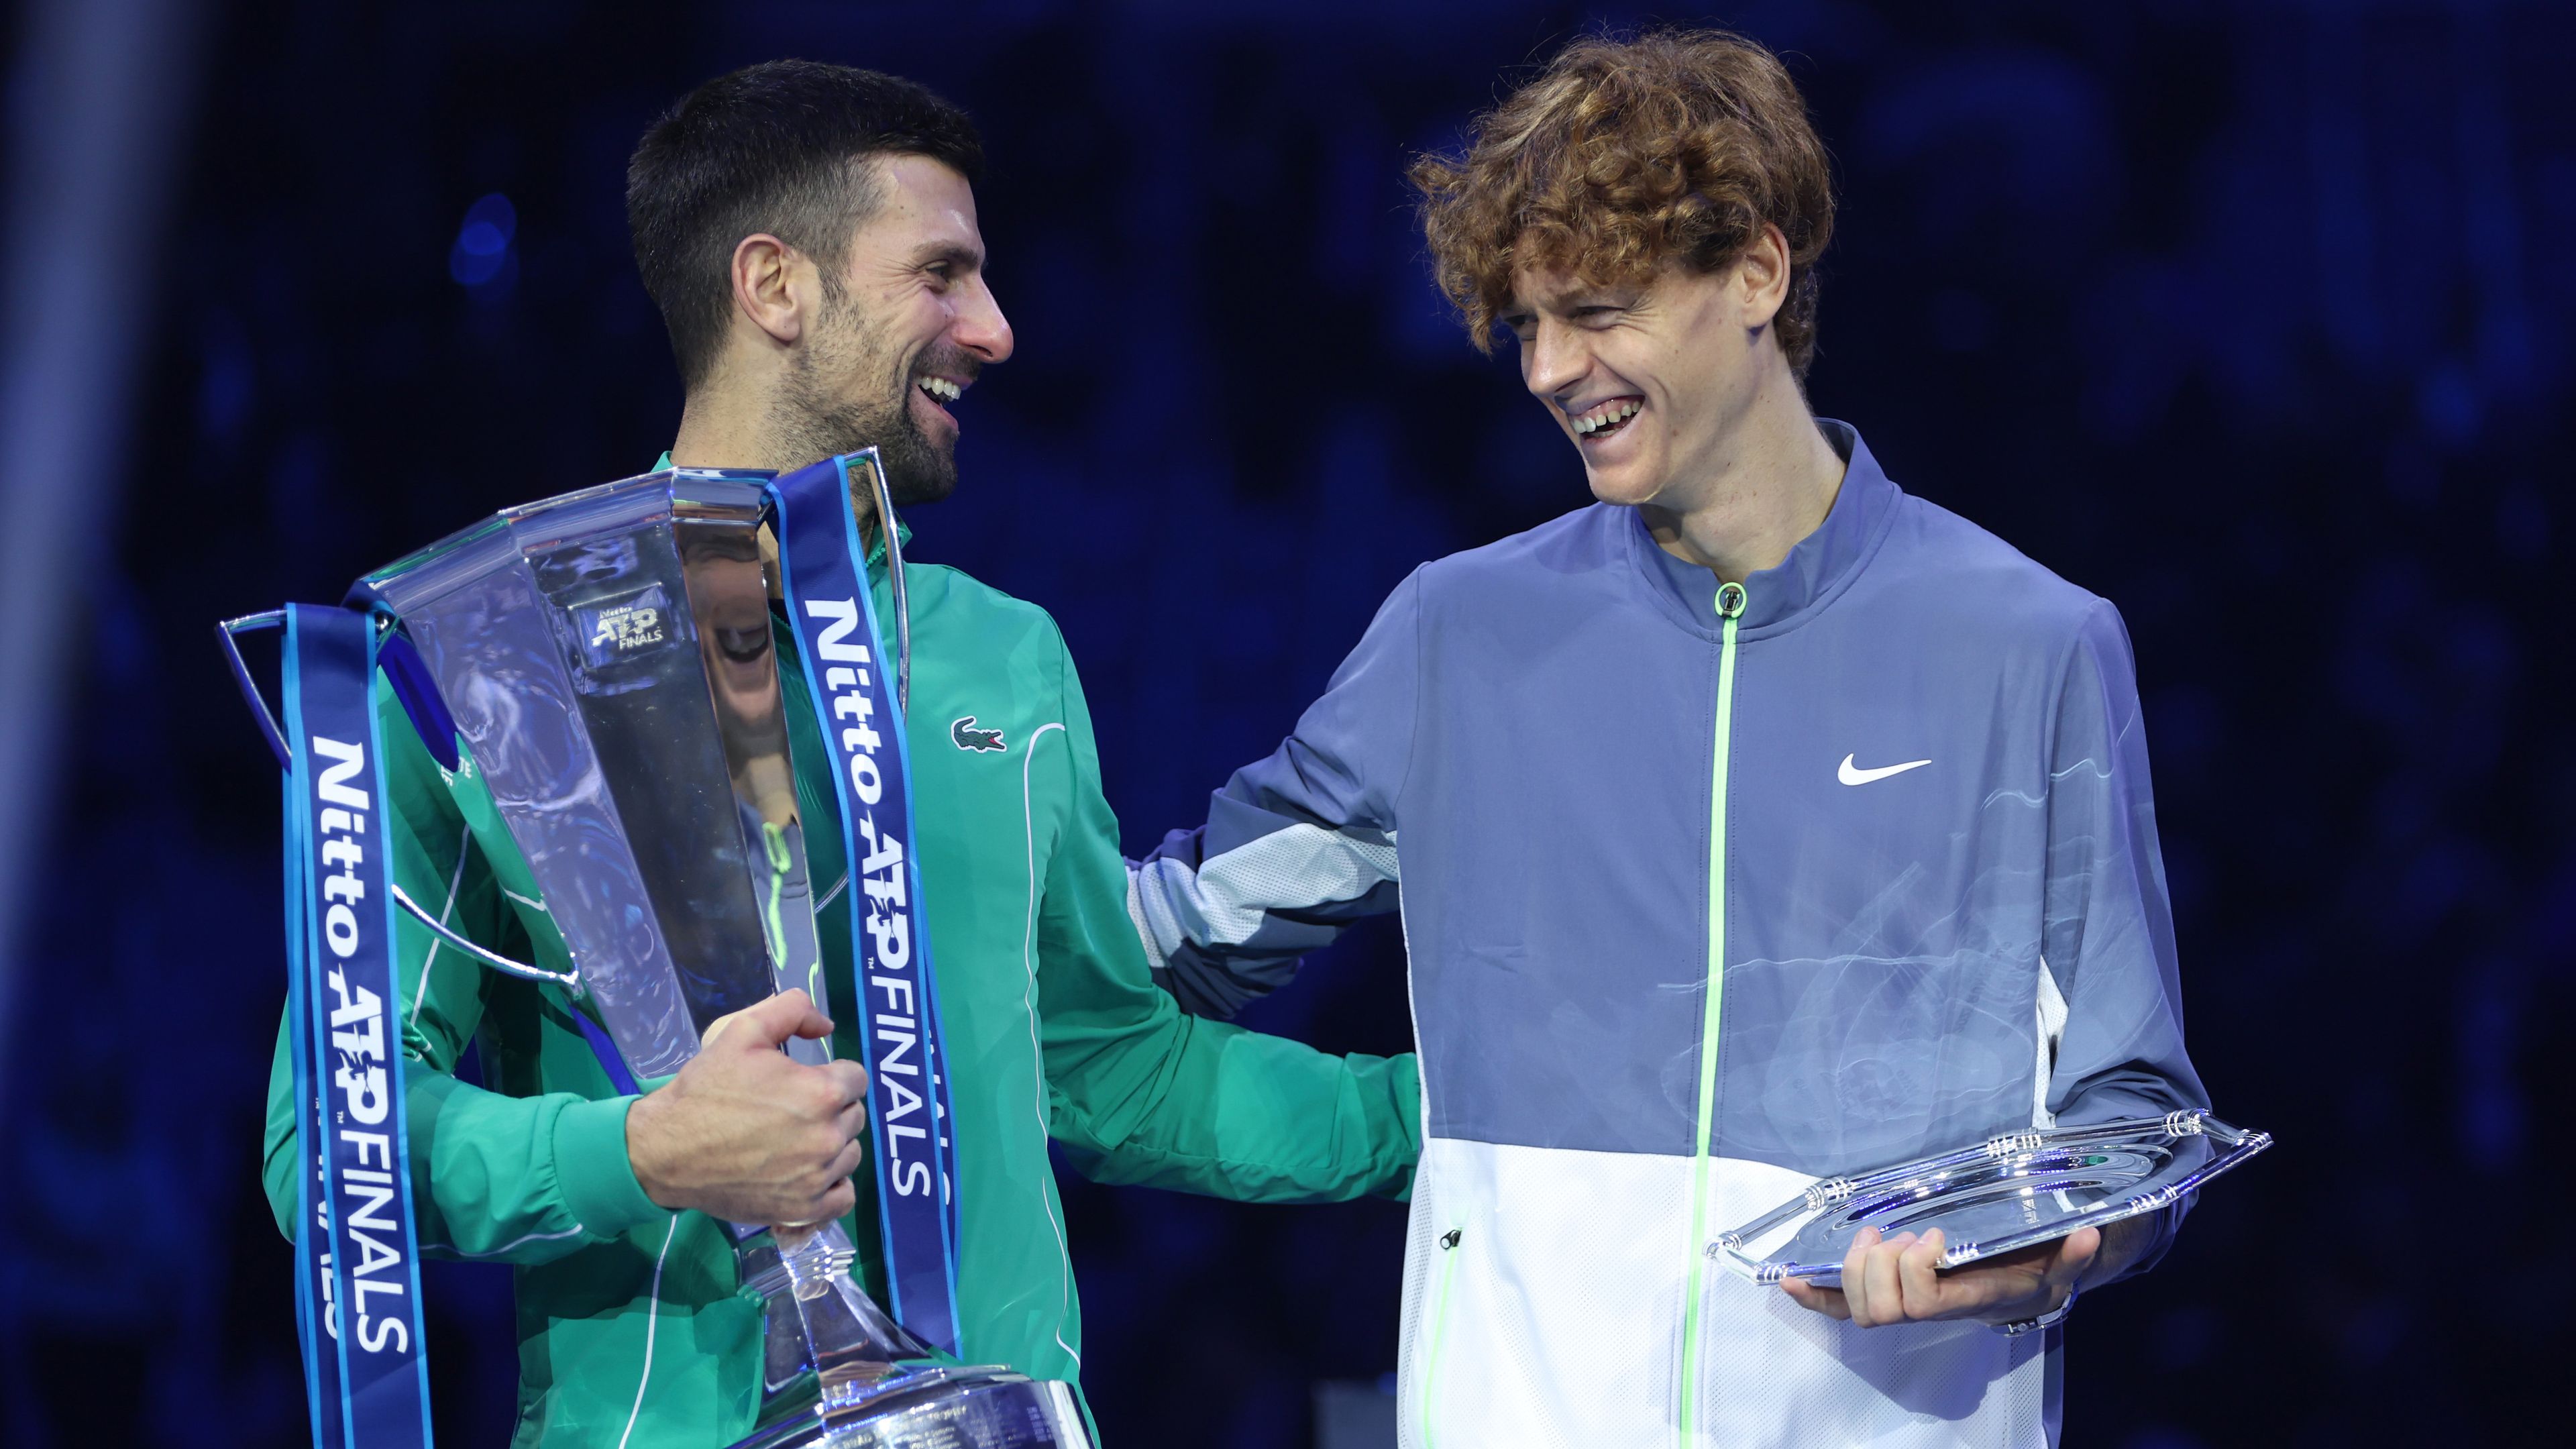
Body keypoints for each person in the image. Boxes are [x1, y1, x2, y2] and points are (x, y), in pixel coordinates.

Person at [260, 61, 1419, 1448]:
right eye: (942, 274)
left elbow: (1118, 1069)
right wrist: (646, 1152)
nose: (993, 328)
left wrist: (1458, 1120)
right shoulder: (493, 659)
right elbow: (328, 1145)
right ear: (775, 289)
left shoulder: (1005, 656)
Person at [1127, 29, 2205, 1448]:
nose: (1550, 369)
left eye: (1598, 309)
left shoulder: (2033, 644)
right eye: (1525, 325)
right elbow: (1181, 933)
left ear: (1759, 273)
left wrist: (2043, 1251)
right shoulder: (1460, 636)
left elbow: (2134, 1127)